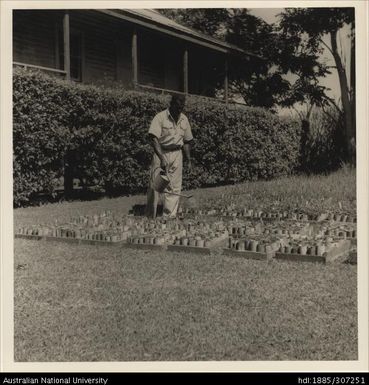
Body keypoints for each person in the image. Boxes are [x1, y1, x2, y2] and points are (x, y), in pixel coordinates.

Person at [146, 94, 193, 218]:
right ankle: (151, 216)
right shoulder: (160, 117)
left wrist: (188, 160)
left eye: (181, 108)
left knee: (174, 187)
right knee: (155, 186)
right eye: (177, 107)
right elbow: (153, 138)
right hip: (161, 152)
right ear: (171, 104)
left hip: (177, 154)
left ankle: (169, 217)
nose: (179, 110)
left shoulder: (184, 119)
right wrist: (161, 158)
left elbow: (187, 141)